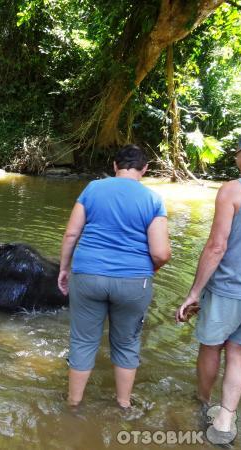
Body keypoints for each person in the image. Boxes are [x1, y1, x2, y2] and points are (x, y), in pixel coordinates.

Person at [59, 144, 171, 408]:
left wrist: (64, 268)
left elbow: (71, 234)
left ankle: (73, 404)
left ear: (114, 166)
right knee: (126, 344)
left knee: (83, 341)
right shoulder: (153, 199)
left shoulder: (93, 189)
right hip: (134, 281)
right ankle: (123, 405)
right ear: (145, 169)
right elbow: (161, 253)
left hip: (88, 276)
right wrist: (147, 272)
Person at [176, 132, 241, 442]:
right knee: (240, 354)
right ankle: (224, 421)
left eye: (236, 152)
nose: (234, 158)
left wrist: (194, 293)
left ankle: (203, 404)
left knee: (211, 347)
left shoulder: (233, 189)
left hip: (228, 290)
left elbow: (216, 246)